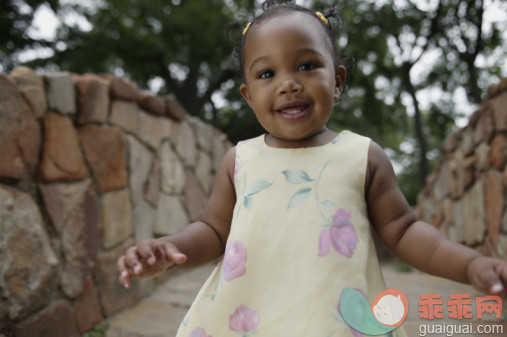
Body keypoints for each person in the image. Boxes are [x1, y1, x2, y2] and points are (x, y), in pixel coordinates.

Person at [117, 1, 507, 336]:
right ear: (249, 96)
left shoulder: (362, 156)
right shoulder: (240, 161)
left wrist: (470, 264)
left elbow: (404, 231)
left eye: (306, 65)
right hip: (246, 320)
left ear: (336, 81)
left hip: (334, 321)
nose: (288, 84)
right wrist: (173, 248)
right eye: (267, 74)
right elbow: (214, 230)